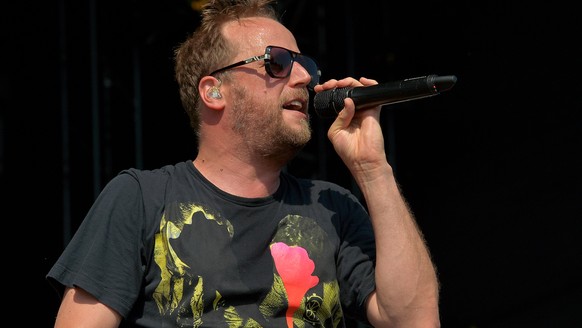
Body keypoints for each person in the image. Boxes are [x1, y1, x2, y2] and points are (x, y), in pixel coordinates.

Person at [46, 0, 440, 327]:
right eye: (278, 62)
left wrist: (373, 168)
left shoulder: (333, 208)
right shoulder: (142, 199)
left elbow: (416, 320)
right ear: (214, 90)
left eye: (305, 64)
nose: (304, 76)